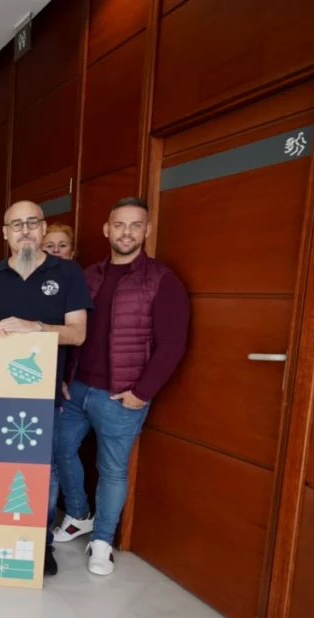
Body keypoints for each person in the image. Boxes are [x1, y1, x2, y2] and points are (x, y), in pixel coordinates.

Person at [52, 198, 189, 576]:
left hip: (121, 395)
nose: (126, 232)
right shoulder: (88, 275)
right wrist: (64, 378)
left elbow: (173, 344)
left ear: (146, 230)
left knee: (111, 469)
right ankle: (79, 514)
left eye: (135, 225)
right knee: (59, 451)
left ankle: (103, 541)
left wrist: (142, 392)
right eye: (119, 225)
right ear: (106, 230)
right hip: (77, 388)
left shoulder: (162, 280)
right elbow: (72, 331)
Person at [0, 201, 93, 577]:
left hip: (42, 395)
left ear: (42, 229)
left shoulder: (68, 273)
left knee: (43, 470)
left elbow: (77, 333)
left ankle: (40, 544)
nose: (24, 230)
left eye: (31, 223)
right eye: (16, 224)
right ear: (4, 234)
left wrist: (34, 327)